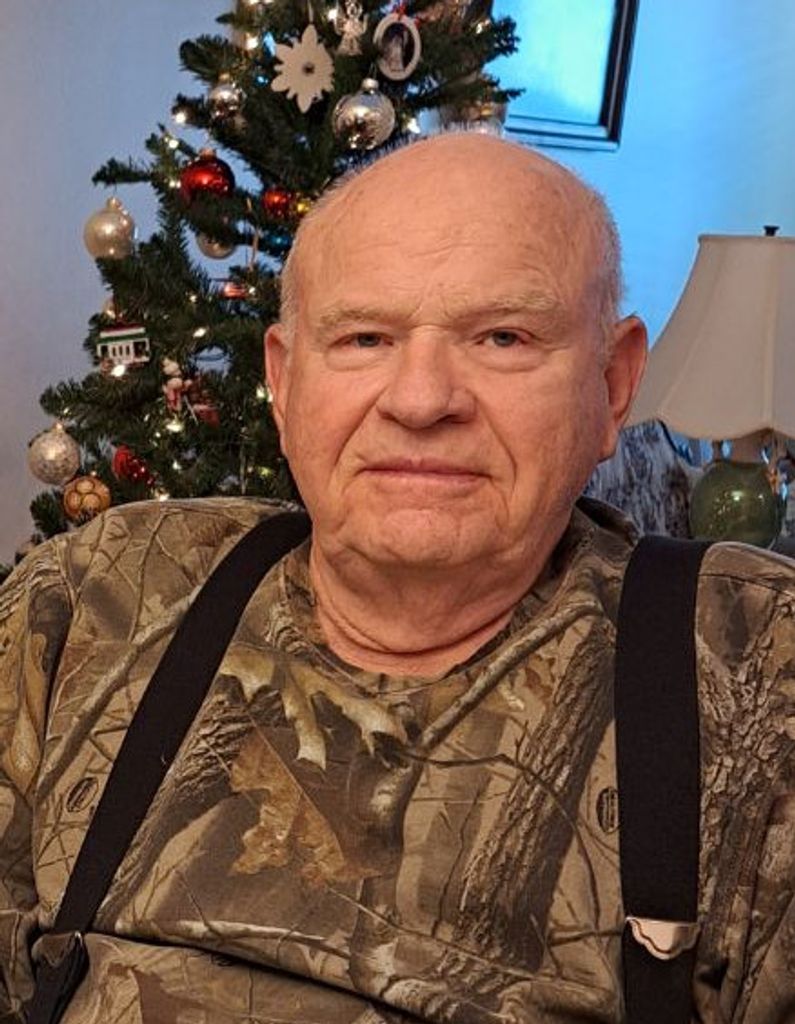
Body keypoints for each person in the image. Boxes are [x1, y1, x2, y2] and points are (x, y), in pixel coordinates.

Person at [0, 133, 792, 1023]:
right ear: (284, 382)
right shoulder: (95, 595)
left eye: (502, 337)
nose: (419, 400)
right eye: (364, 338)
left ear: (611, 385)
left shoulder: (759, 667)